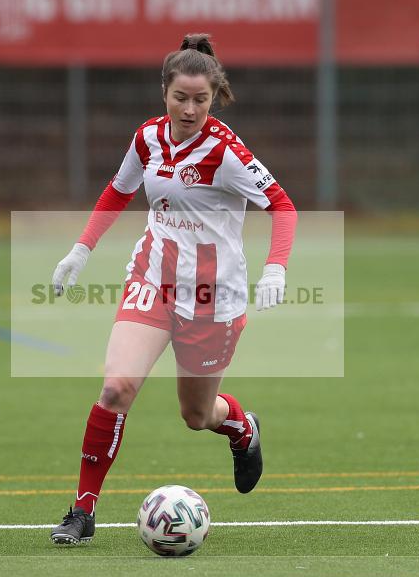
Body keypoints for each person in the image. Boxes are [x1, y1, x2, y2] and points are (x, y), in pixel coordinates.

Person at [49, 33, 297, 545]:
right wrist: (81, 249)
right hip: (153, 278)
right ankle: (82, 511)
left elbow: (283, 206)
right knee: (116, 388)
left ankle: (242, 429)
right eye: (180, 97)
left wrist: (276, 268)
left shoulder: (226, 151)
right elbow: (118, 191)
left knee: (196, 415)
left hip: (213, 297)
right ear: (164, 91)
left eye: (200, 99)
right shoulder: (147, 139)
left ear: (215, 97)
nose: (189, 108)